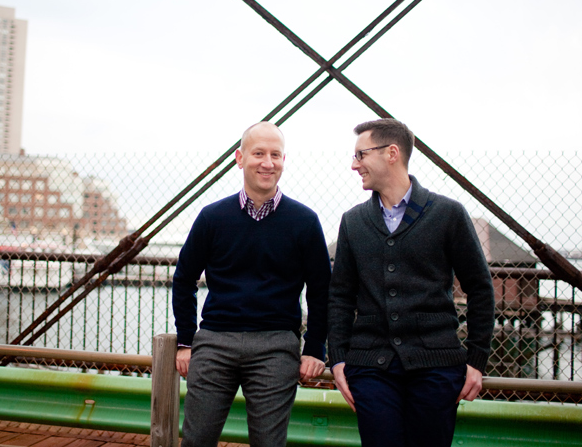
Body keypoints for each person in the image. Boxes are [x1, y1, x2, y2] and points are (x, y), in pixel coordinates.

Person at [328, 119, 495, 447]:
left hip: (437, 368)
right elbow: (341, 296)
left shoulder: (448, 214)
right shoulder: (353, 222)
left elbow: (480, 287)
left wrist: (476, 360)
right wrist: (338, 359)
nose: (353, 164)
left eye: (361, 155)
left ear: (392, 153)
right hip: (370, 369)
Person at [172, 121, 331, 447]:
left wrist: (315, 348)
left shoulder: (304, 221)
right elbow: (184, 279)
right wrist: (186, 341)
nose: (268, 162)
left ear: (284, 160)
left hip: (276, 347)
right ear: (240, 158)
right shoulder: (212, 217)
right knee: (196, 441)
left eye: (276, 155)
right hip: (215, 342)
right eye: (259, 153)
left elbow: (321, 290)